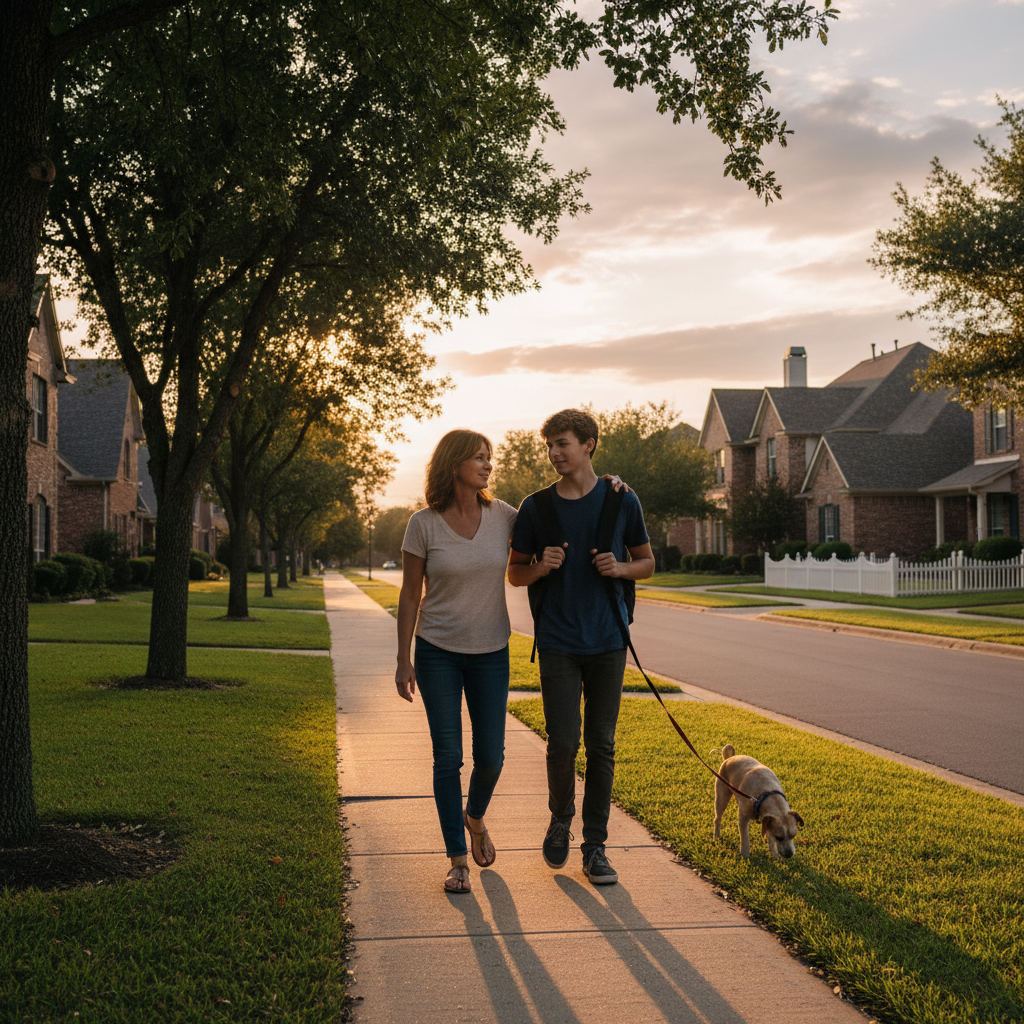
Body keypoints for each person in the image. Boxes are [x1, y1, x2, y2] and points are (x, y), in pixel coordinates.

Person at [507, 409, 654, 887]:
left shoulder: (621, 500)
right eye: (549, 445)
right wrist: (541, 566)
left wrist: (620, 569)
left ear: (589, 444)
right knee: (563, 743)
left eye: (563, 444)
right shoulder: (536, 508)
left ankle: (595, 847)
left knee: (602, 745)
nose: (554, 453)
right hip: (558, 643)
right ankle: (559, 819)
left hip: (609, 641)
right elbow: (514, 573)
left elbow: (647, 563)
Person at [396, 430, 518, 894]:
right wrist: (403, 658)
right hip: (437, 651)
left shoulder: (504, 515)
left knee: (491, 757)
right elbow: (410, 594)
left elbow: (557, 513)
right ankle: (457, 859)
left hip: (491, 651)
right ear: (454, 464)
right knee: (448, 757)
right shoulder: (422, 524)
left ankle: (475, 816)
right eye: (479, 458)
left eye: (490, 458)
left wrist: (608, 484)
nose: (488, 465)